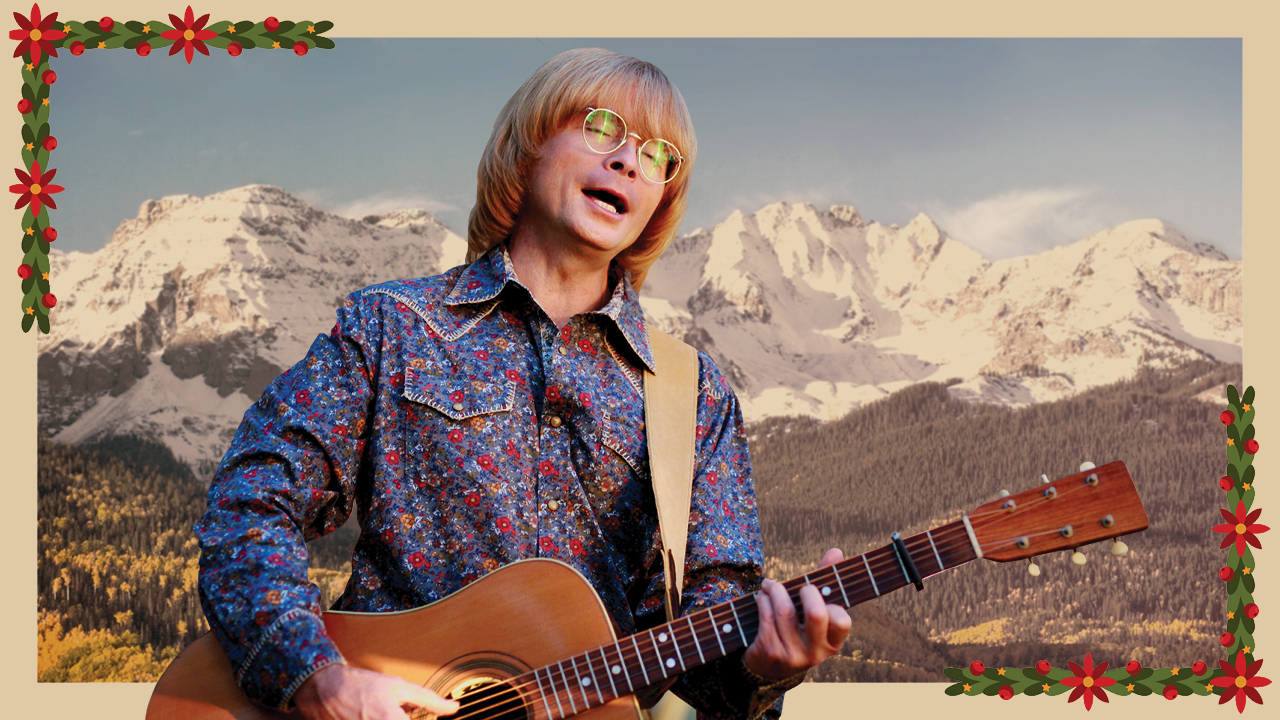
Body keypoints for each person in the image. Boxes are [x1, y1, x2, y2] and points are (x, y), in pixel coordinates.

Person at [195, 48, 851, 720]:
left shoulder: (697, 397)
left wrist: (763, 669)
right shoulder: (391, 325)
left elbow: (706, 656)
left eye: (659, 156)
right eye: (602, 128)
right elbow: (247, 506)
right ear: (526, 147)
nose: (629, 160)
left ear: (659, 203)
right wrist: (318, 678)